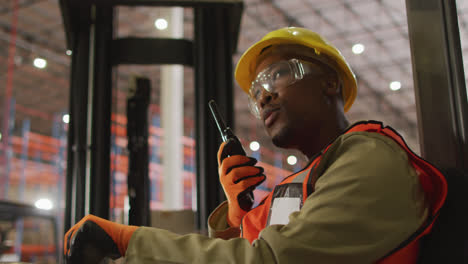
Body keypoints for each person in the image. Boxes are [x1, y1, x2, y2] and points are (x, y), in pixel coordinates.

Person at [64, 27, 447, 264]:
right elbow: (266, 245)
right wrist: (235, 220)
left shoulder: (370, 159)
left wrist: (129, 243)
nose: (263, 96)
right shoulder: (311, 179)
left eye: (278, 75)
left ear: (330, 83)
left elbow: (267, 261)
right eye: (256, 91)